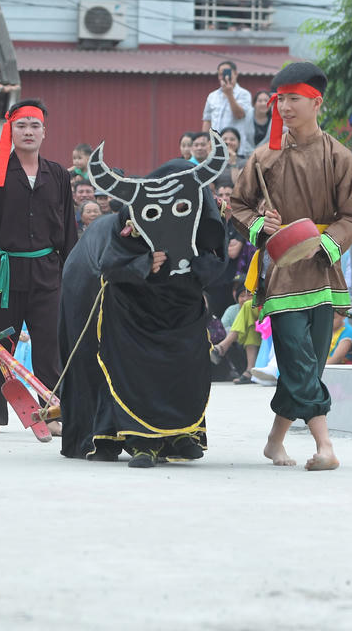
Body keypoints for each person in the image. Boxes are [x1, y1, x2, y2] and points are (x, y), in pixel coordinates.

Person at [58, 143, 229, 465]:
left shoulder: (205, 213)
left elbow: (216, 260)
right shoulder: (128, 220)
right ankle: (141, 442)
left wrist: (197, 267)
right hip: (133, 310)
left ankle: (182, 437)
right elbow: (110, 265)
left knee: (187, 373)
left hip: (184, 308)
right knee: (134, 373)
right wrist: (143, 264)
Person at [228, 62, 352, 471]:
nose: (284, 107)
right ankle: (326, 446)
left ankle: (274, 441)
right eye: (279, 99)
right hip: (281, 269)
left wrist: (323, 242)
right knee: (297, 357)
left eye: (293, 99)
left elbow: (351, 218)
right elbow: (237, 204)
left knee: (310, 361)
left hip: (321, 268)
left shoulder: (339, 156)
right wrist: (259, 225)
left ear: (316, 102)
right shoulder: (264, 155)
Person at [0, 99, 77, 434]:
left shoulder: (58, 175)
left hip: (47, 273)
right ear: (11, 130)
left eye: (34, 125)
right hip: (4, 275)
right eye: (21, 125)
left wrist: (75, 273)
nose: (28, 131)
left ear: (44, 132)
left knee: (49, 345)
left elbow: (68, 228)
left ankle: (52, 413)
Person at [201, 61, 253, 157]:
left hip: (236, 149)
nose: (223, 77)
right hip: (215, 148)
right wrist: (205, 140)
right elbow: (207, 120)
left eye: (227, 73)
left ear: (236, 74)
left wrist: (229, 94)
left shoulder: (244, 94)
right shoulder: (212, 96)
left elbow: (240, 115)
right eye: (220, 74)